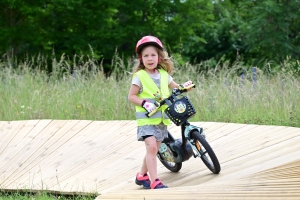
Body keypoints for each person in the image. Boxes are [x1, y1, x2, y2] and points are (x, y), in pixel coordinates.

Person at [128, 35, 193, 189]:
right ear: (141, 59)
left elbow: (176, 87)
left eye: (153, 55)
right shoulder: (140, 76)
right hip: (146, 120)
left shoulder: (164, 75)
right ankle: (154, 181)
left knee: (154, 149)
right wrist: (144, 103)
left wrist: (184, 87)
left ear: (159, 57)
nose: (149, 58)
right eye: (145, 56)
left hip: (162, 120)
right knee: (151, 148)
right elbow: (131, 96)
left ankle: (141, 176)